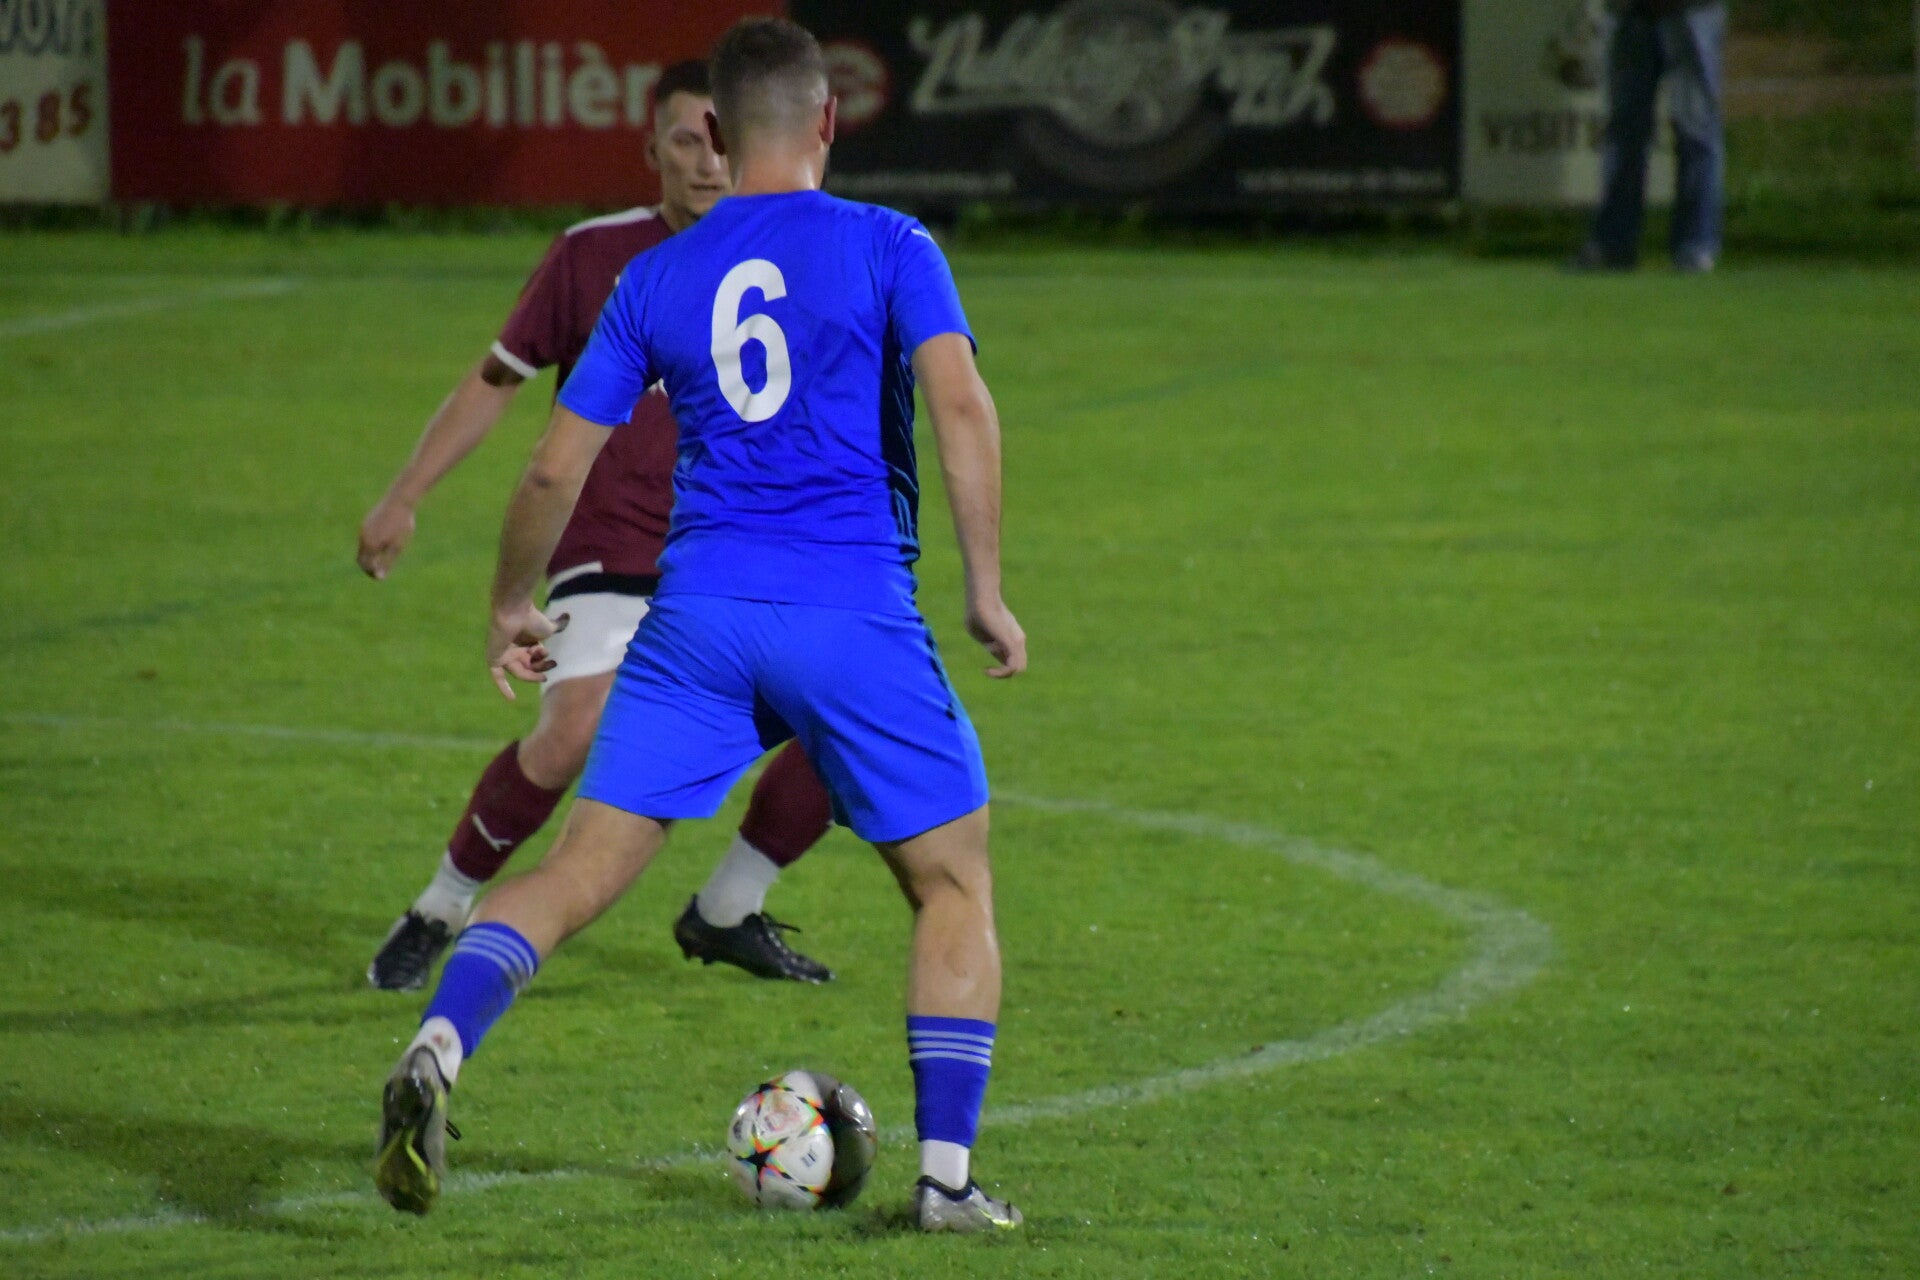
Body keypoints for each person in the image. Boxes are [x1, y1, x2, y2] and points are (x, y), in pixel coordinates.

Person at [373, 17, 1028, 1233]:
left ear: (716, 133)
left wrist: (511, 603)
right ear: (828, 118)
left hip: (697, 623)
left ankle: (439, 1044)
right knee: (950, 878)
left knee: (572, 874)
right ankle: (945, 1179)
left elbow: (552, 469)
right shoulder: (892, 242)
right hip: (850, 613)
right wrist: (985, 587)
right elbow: (962, 405)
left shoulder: (654, 277)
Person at [357, 60, 834, 992]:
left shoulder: (790, 260)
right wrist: (405, 493)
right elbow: (496, 380)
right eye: (686, 141)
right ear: (651, 148)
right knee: (573, 731)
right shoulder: (591, 256)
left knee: (857, 710)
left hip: (737, 559)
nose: (707, 162)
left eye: (720, 141)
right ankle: (441, 906)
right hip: (612, 554)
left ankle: (730, 906)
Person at [1575, 0, 1726, 272]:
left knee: (1695, 129)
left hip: (1691, 9)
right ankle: (1613, 244)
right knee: (1625, 131)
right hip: (1632, 11)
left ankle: (1695, 246)